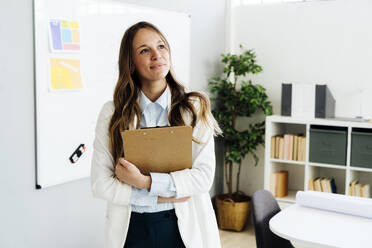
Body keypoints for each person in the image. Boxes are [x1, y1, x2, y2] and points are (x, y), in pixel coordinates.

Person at [91, 21, 222, 248]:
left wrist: (144, 182)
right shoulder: (112, 113)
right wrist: (162, 195)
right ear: (131, 64)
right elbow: (100, 184)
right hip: (131, 229)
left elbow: (203, 178)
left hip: (182, 228)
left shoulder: (194, 107)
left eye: (161, 46)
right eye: (145, 50)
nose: (156, 55)